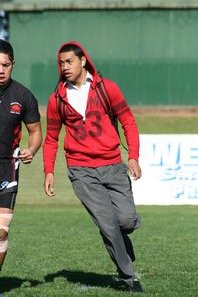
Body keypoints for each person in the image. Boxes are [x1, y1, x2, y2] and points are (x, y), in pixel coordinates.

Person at [43, 41, 143, 292]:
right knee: (107, 224)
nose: (64, 67)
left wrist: (133, 156)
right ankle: (128, 276)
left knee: (126, 221)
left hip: (113, 165)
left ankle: (121, 246)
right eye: (61, 63)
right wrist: (49, 172)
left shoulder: (108, 88)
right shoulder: (57, 99)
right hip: (81, 170)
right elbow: (52, 138)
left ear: (83, 61)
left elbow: (128, 121)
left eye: (69, 61)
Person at [0, 39, 42, 271]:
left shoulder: (23, 96)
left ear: (13, 65)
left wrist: (32, 149)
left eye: (5, 65)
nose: (0, 70)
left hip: (7, 170)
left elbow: (35, 131)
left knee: (1, 232)